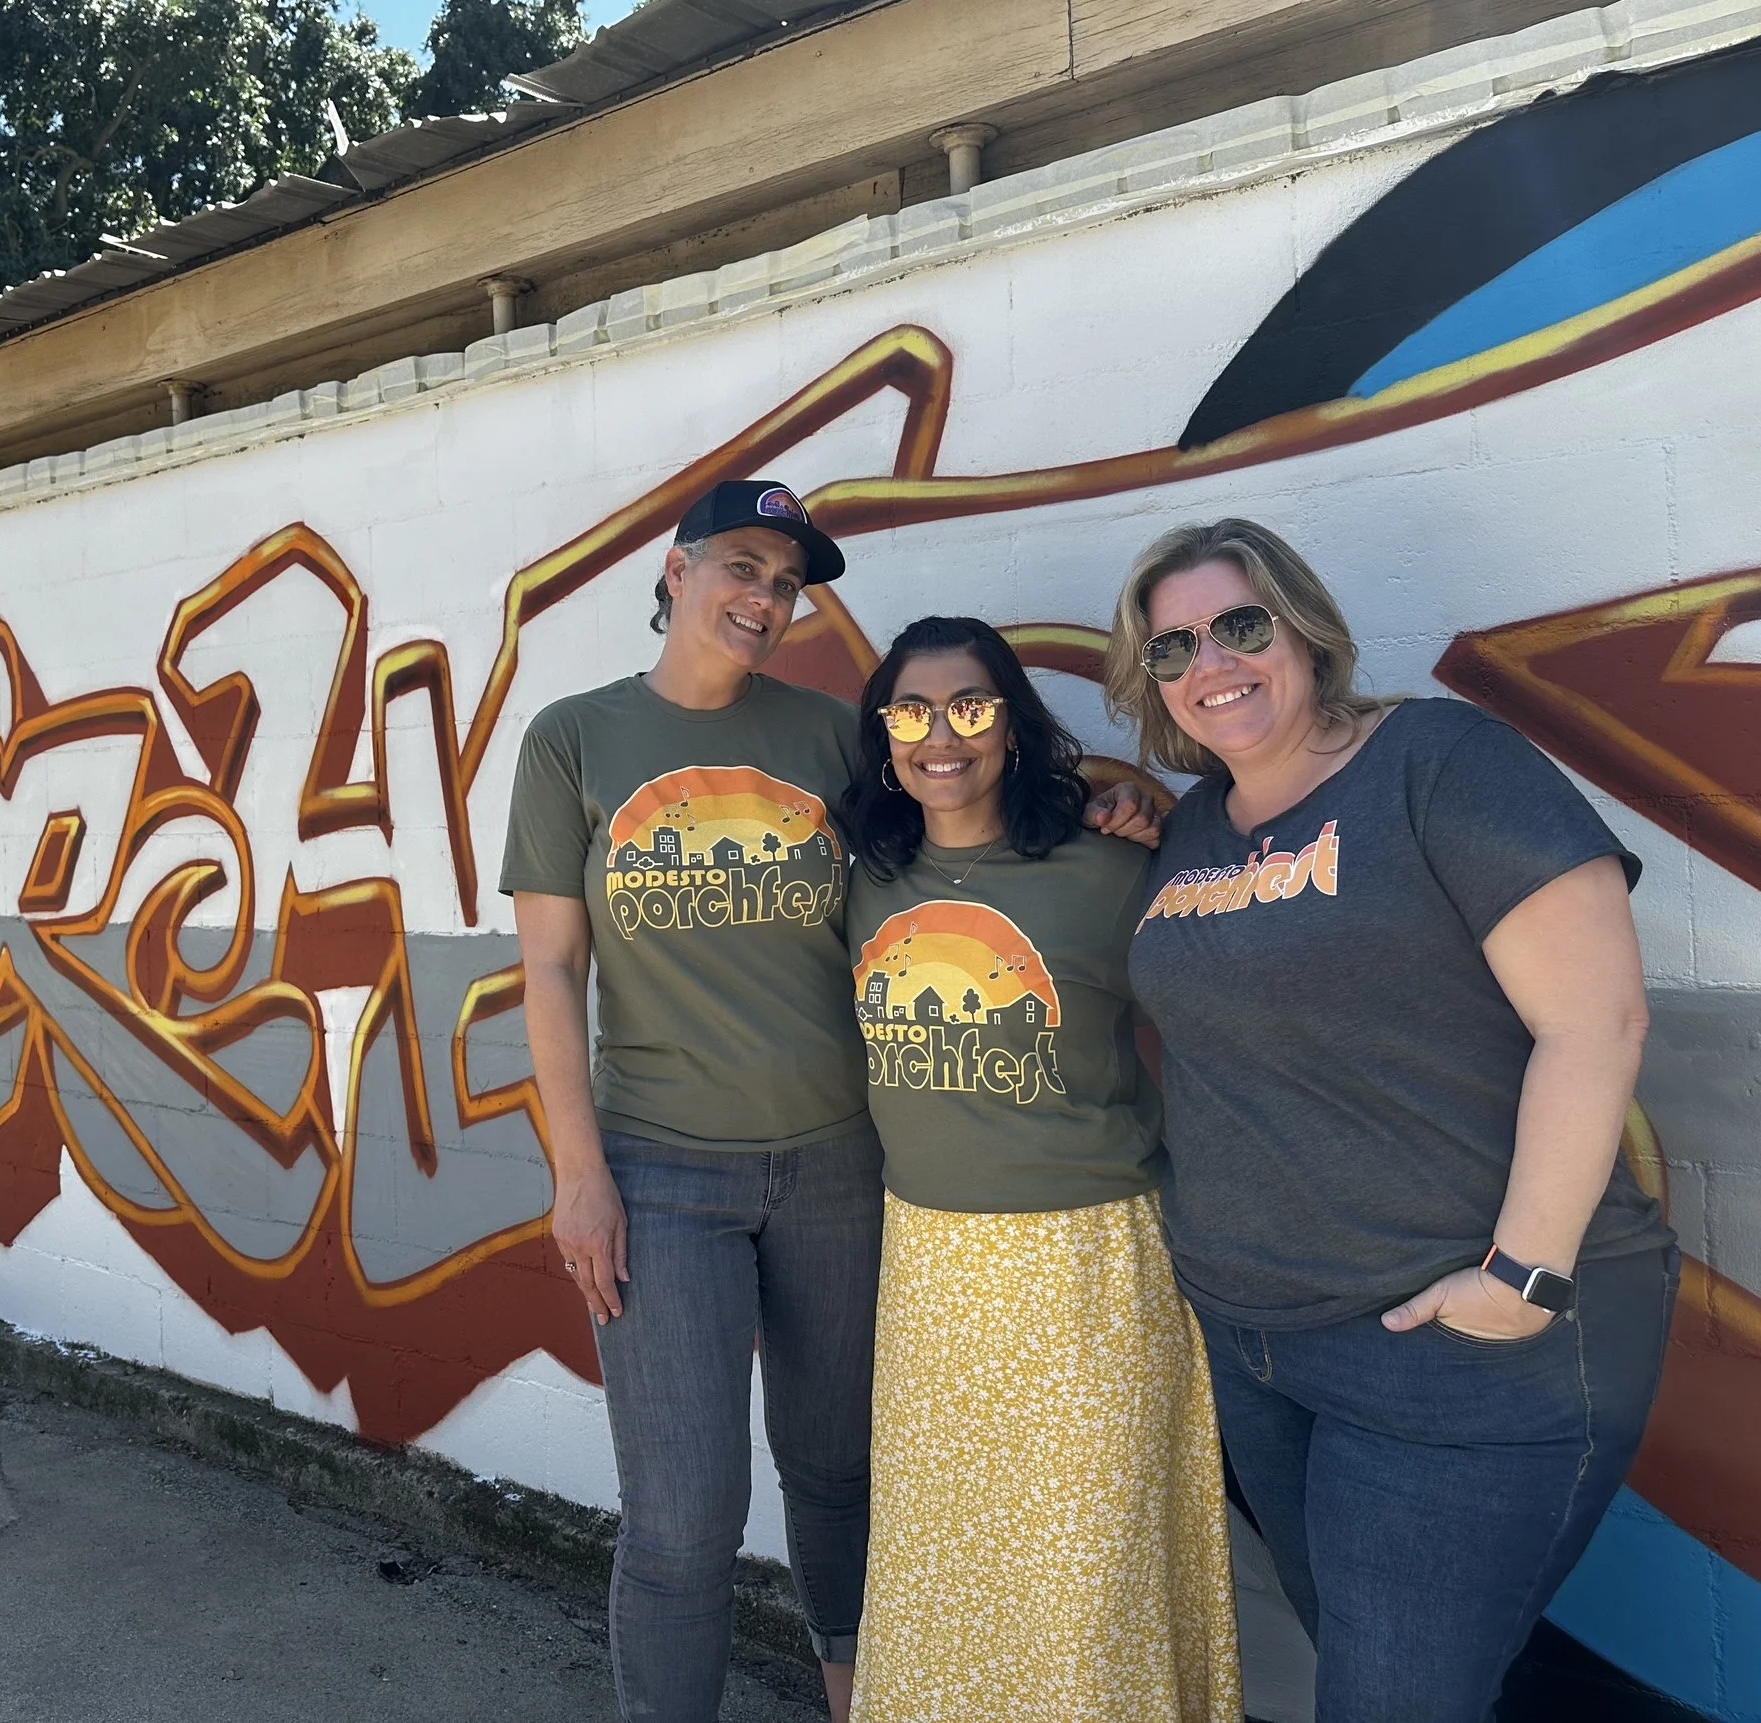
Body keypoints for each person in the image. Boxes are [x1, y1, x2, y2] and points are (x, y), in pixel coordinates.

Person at [502, 482, 1154, 1723]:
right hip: (661, 1171)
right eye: (742, 566)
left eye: (787, 583)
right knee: (685, 1516)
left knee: (841, 1475)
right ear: (676, 570)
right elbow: (548, 968)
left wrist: (1124, 790)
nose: (764, 598)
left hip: (845, 1166)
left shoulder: (828, 735)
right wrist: (577, 1174)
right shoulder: (572, 741)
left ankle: (856, 1699)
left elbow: (968, 772)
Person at [1104, 519, 1678, 1723]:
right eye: (1171, 648)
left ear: (1302, 628)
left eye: (1239, 625)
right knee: (1391, 1681)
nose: (1212, 662)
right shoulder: (1195, 828)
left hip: (1449, 1343)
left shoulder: (1440, 760)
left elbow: (1598, 1024)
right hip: (1259, 1344)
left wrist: (1518, 1280)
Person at [837, 616, 1243, 1723]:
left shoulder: (1112, 869)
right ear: (882, 739)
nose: (941, 736)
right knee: (947, 1573)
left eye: (970, 707)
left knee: (1088, 1586)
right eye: (911, 712)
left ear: (1011, 727)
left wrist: (1149, 811)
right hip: (929, 1272)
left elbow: (1248, 1009)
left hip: (1090, 1267)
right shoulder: (859, 879)